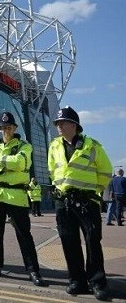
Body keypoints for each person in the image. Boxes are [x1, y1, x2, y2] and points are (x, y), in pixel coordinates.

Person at [48, 106, 113, 300]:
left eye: (63, 122)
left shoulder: (92, 145)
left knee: (92, 241)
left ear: (74, 125)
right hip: (64, 202)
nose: (59, 126)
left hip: (87, 201)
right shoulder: (54, 146)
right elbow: (53, 170)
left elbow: (105, 172)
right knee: (69, 241)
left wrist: (94, 192)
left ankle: (97, 282)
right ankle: (76, 280)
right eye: (57, 123)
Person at [0, 111, 46, 287]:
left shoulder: (25, 145)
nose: (6, 130)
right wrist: (1, 168)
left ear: (14, 128)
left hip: (17, 196)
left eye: (9, 127)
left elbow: (20, 163)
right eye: (3, 128)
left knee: (24, 234)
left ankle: (32, 269)